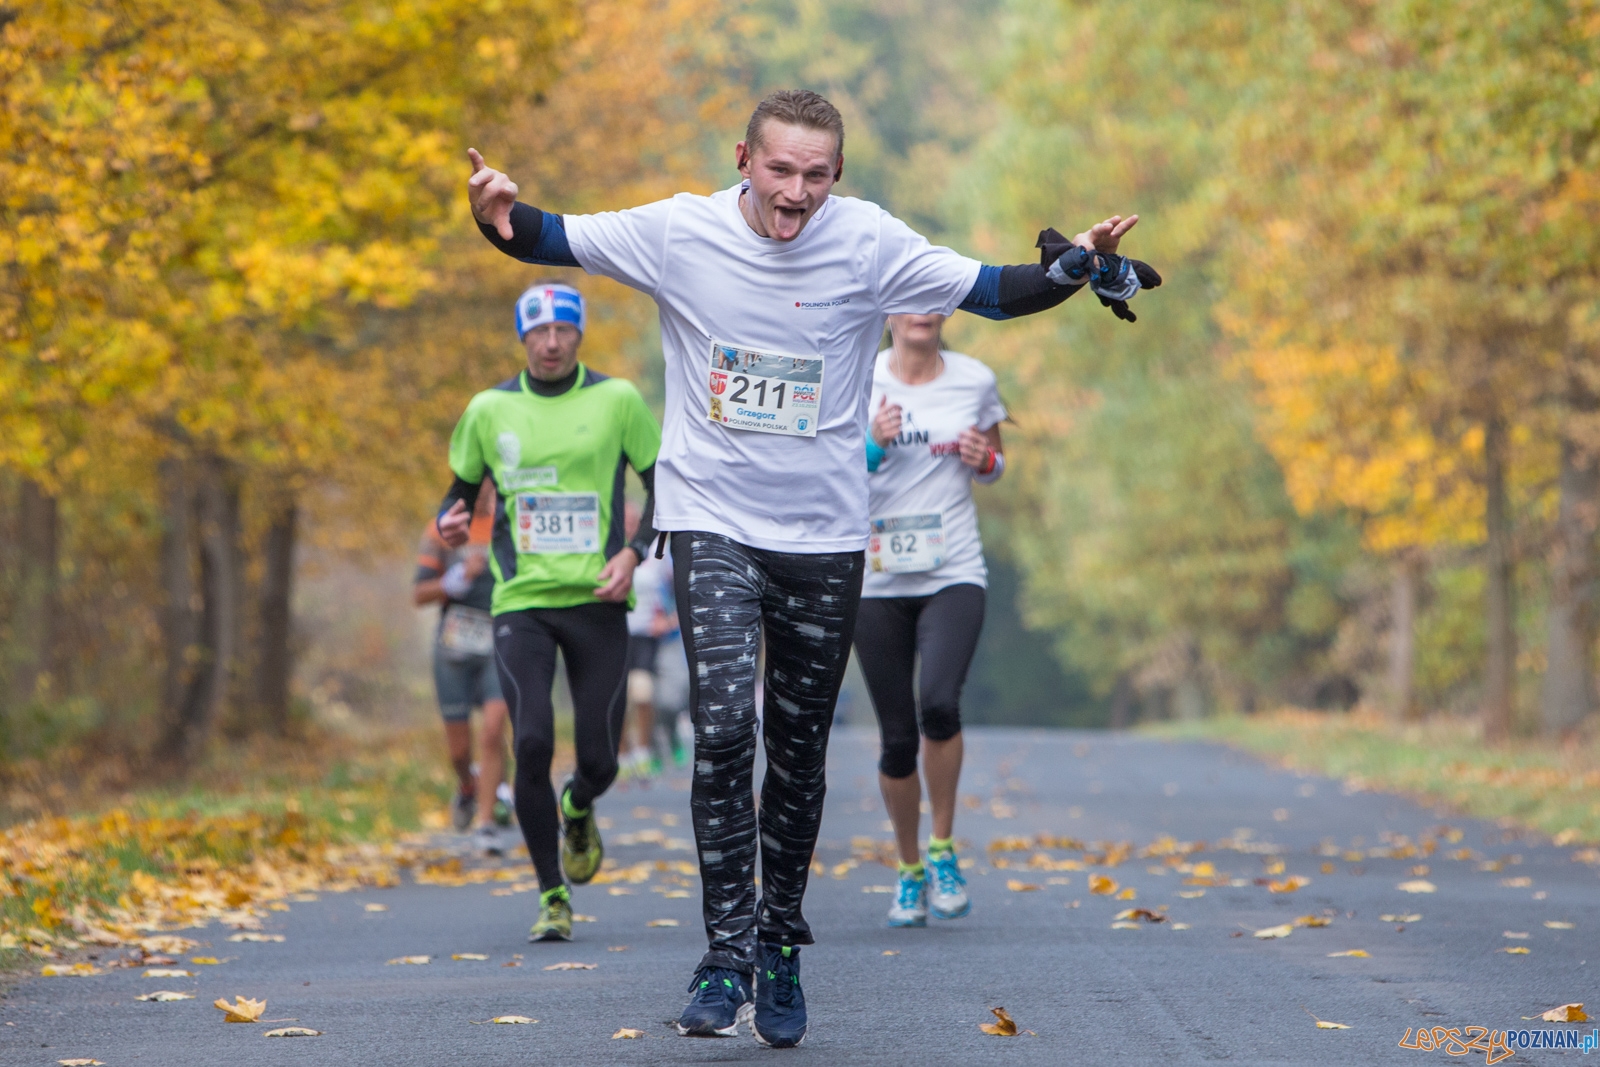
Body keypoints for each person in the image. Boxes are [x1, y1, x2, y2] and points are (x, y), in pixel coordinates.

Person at [465, 88, 1156, 1047]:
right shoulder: (680, 231)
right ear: (744, 158)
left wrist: (1076, 264)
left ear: (839, 176)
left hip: (824, 536)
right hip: (711, 520)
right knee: (721, 732)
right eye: (780, 170)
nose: (796, 193)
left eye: (817, 175)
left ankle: (779, 940)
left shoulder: (867, 241)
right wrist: (495, 213)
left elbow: (996, 290)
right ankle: (725, 952)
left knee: (796, 754)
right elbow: (546, 235)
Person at [435, 282, 662, 943]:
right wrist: (449, 523)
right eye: (539, 332)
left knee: (601, 760)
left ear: (579, 335)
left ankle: (579, 804)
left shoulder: (617, 400)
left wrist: (634, 552)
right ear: (523, 339)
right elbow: (457, 495)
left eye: (564, 330)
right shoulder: (489, 409)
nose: (552, 343)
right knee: (530, 741)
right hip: (521, 601)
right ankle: (552, 894)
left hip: (598, 598)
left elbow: (664, 484)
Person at [853, 312, 1003, 928]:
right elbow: (818, 473)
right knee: (897, 738)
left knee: (939, 703)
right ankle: (909, 868)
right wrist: (871, 444)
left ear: (945, 313)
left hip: (953, 570)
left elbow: (995, 460)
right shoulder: (856, 377)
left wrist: (985, 460)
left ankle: (942, 849)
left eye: (932, 300)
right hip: (875, 579)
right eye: (908, 300)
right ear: (888, 312)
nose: (921, 312)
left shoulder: (974, 379)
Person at [413, 485, 513, 856]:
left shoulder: (513, 524)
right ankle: (468, 786)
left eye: (493, 482)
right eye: (480, 482)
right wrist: (457, 578)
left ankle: (486, 824)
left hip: (498, 642)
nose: (487, 491)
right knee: (459, 751)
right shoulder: (442, 528)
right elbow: (419, 594)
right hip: (453, 647)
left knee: (493, 731)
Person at [621, 500, 680, 780]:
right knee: (619, 698)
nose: (629, 524)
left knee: (642, 692)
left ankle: (643, 750)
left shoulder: (658, 550)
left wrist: (668, 621)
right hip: (617, 633)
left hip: (646, 635)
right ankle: (622, 753)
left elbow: (680, 587)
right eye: (624, 520)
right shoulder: (610, 547)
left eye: (633, 520)